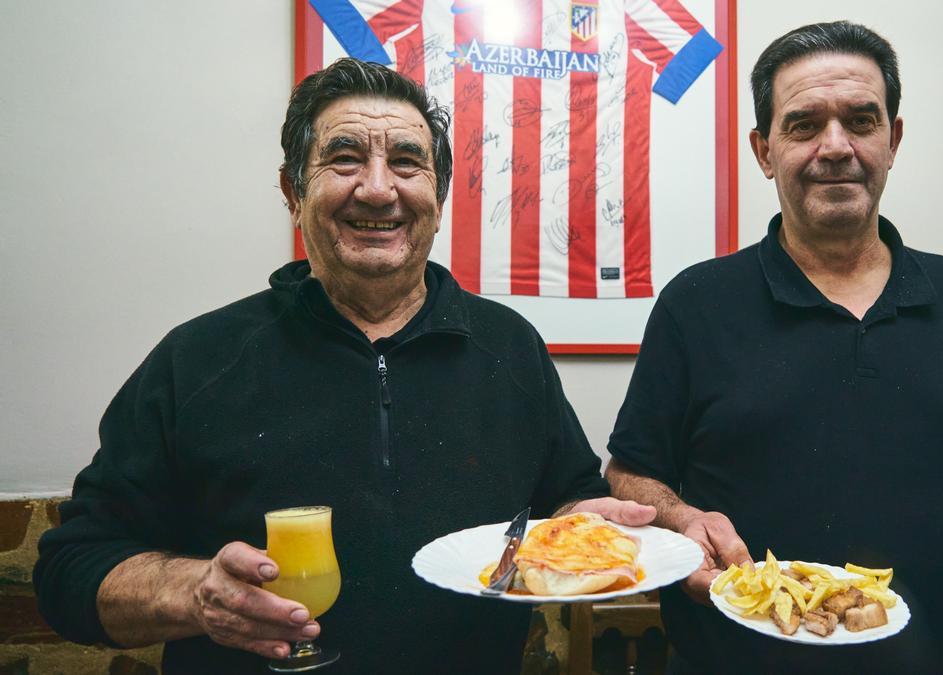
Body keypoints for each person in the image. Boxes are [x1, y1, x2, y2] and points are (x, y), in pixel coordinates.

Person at [33, 58, 653, 674]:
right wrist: (195, 593)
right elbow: (72, 568)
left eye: (407, 162)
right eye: (345, 158)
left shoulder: (511, 347)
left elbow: (568, 498)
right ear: (292, 190)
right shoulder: (196, 359)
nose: (379, 189)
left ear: (437, 193)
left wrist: (582, 523)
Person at [605, 21, 943, 674]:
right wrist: (678, 515)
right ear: (763, 149)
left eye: (861, 120)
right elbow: (630, 472)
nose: (835, 146)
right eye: (804, 124)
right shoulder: (694, 304)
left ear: (892, 140)